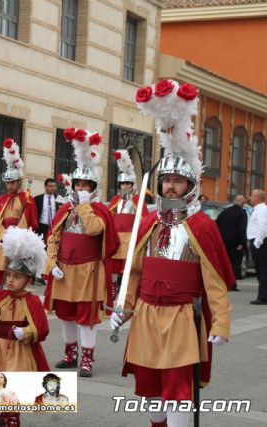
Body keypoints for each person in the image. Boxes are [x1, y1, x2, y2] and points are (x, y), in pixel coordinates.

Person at [112, 80, 233, 427]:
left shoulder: (203, 227)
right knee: (150, 389)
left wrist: (221, 322)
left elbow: (215, 282)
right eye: (165, 180)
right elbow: (133, 273)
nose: (169, 186)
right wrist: (124, 307)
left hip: (182, 318)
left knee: (179, 390)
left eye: (177, 181)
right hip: (147, 315)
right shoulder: (149, 221)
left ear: (190, 185)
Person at [43, 127, 119, 378]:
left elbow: (96, 230)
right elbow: (53, 237)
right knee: (65, 314)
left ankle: (86, 359)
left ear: (93, 187)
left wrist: (84, 207)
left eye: (86, 184)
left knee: (86, 317)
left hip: (89, 271)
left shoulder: (97, 209)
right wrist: (51, 262)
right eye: (79, 184)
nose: (82, 187)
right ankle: (70, 354)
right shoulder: (65, 208)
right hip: (65, 269)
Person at [0, 227, 50, 373]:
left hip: (21, 351)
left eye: (17, 277)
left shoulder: (33, 300)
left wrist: (26, 332)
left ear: (28, 280)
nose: (11, 280)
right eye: (8, 275)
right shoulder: (1, 297)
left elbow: (41, 328)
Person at [0, 138, 38, 293]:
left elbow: (29, 220)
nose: (9, 186)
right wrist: (3, 236)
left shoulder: (26, 198)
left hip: (19, 240)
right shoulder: (1, 200)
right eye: (7, 183)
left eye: (12, 182)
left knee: (17, 273)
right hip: (2, 242)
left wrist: (16, 237)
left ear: (18, 182)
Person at [108, 149, 149, 297]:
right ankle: (112, 288)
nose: (124, 186)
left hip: (131, 238)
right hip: (117, 238)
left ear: (132, 185)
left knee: (129, 266)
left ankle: (126, 290)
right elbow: (109, 217)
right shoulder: (115, 200)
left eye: (127, 183)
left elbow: (144, 219)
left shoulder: (138, 200)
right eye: (122, 184)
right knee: (113, 264)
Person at [216, 195, 247, 291]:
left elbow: (216, 223)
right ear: (242, 203)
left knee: (225, 262)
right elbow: (242, 229)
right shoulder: (242, 213)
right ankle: (232, 284)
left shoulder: (225, 211)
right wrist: (242, 243)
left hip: (223, 241)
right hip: (236, 243)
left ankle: (223, 283)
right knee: (235, 263)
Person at [247, 189, 267, 304]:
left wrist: (257, 243)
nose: (250, 198)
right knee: (261, 270)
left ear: (258, 198)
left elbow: (264, 227)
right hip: (259, 242)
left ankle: (263, 297)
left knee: (262, 270)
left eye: (252, 195)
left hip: (260, 243)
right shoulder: (259, 209)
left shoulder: (262, 210)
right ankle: (263, 295)